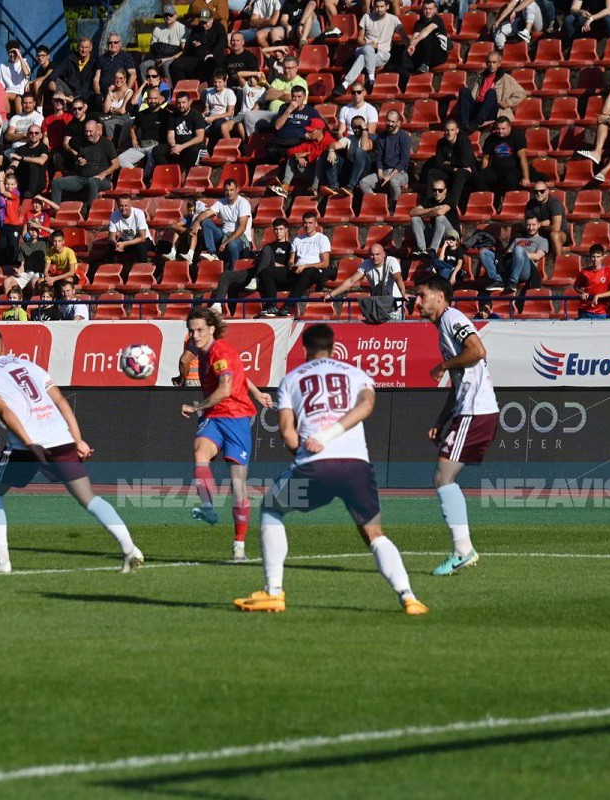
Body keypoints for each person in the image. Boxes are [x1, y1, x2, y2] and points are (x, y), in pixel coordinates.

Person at [233, 323, 427, 614]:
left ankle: (273, 592)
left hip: (315, 466)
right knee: (374, 533)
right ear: (334, 348)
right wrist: (334, 431)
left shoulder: (291, 379)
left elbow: (287, 432)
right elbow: (366, 405)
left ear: (304, 348)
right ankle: (409, 597)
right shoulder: (356, 373)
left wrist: (311, 447)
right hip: (356, 467)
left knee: (272, 509)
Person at [0, 326, 144, 573]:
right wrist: (78, 440)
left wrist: (30, 444)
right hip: (60, 439)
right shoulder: (30, 366)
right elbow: (61, 401)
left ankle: (2, 562)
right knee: (90, 499)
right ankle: (130, 549)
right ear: (4, 347)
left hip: (26, 446)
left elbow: (6, 412)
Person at [412, 273, 499, 577]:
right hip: (470, 410)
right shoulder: (444, 326)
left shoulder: (451, 317)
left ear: (439, 295)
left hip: (476, 410)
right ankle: (463, 549)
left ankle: (463, 550)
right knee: (444, 476)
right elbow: (460, 380)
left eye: (421, 294)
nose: (417, 301)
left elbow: (477, 350)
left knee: (443, 476)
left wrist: (443, 365)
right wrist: (442, 418)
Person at [181, 307, 273, 561]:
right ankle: (209, 508)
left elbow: (225, 388)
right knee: (200, 453)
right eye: (191, 330)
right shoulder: (202, 349)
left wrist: (196, 407)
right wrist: (257, 393)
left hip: (236, 417)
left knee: (238, 485)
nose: (195, 335)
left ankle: (239, 545)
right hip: (214, 417)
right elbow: (240, 373)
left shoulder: (220, 351)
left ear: (211, 329)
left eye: (199, 330)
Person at [258, 211, 330, 316]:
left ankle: (287, 306)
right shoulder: (298, 239)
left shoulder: (322, 239)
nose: (307, 225)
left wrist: (305, 266)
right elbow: (291, 259)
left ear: (316, 224)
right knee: (267, 271)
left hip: (313, 270)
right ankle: (272, 305)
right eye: (305, 223)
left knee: (307, 272)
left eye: (310, 223)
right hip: (297, 270)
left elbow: (325, 263)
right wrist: (292, 265)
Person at [49, 118, 118, 214]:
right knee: (56, 183)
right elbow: (77, 165)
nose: (88, 134)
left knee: (92, 181)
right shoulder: (83, 143)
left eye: (91, 131)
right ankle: (54, 212)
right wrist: (79, 163)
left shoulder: (106, 143)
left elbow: (116, 164)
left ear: (97, 131)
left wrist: (103, 174)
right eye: (86, 131)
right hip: (82, 178)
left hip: (101, 180)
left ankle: (90, 213)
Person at [324, 242, 405, 318]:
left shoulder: (392, 261)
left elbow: (398, 277)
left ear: (384, 254)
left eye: (378, 254)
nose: (375, 257)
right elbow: (351, 281)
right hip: (379, 305)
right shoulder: (366, 264)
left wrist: (403, 294)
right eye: (372, 255)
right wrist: (331, 294)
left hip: (395, 305)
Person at [457, 51, 526, 132]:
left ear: (499, 64)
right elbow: (473, 95)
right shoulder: (481, 76)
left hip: (491, 110)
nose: (491, 65)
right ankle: (464, 124)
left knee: (491, 92)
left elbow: (522, 93)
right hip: (478, 107)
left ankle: (477, 123)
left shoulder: (506, 78)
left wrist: (508, 102)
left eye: (494, 62)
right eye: (489, 62)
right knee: (464, 91)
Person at [341, 0, 399, 91]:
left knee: (362, 58)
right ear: (373, 6)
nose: (379, 9)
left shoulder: (394, 20)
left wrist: (411, 45)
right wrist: (368, 44)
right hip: (364, 48)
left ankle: (345, 84)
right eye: (377, 7)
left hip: (382, 54)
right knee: (368, 48)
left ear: (387, 7)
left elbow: (404, 36)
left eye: (381, 7)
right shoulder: (366, 17)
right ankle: (371, 78)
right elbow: (359, 39)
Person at [358, 110, 410, 211]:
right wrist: (380, 174)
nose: (390, 124)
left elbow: (404, 161)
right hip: (384, 171)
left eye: (393, 122)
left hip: (400, 173)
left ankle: (394, 209)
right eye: (388, 121)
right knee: (363, 182)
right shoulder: (381, 137)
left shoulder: (404, 137)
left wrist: (390, 177)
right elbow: (379, 157)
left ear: (398, 123)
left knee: (394, 182)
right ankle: (378, 206)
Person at [193, 178, 252, 265]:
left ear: (237, 189)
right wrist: (196, 222)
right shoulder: (221, 202)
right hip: (224, 235)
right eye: (226, 190)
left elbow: (242, 228)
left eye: (231, 190)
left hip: (240, 238)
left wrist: (225, 242)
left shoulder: (243, 203)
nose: (229, 193)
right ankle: (212, 253)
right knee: (206, 222)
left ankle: (233, 272)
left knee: (232, 245)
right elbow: (206, 213)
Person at [408, 178, 461, 258]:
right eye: (434, 190)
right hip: (437, 235)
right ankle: (421, 250)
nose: (437, 193)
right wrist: (431, 209)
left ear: (445, 190)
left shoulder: (450, 199)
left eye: (440, 190)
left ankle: (433, 250)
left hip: (451, 236)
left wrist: (424, 213)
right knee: (415, 219)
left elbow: (439, 212)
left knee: (440, 218)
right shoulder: (430, 201)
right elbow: (412, 212)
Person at [574, 243, 610, 318]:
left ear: (602, 257)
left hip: (600, 312)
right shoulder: (584, 271)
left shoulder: (608, 271)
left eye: (598, 257)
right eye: (593, 257)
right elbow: (576, 286)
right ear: (590, 257)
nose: (595, 259)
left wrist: (598, 296)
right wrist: (583, 292)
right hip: (584, 310)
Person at [108, 196, 152, 266]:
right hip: (126, 241)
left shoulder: (139, 214)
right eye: (121, 206)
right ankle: (110, 271)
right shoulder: (114, 215)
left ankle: (142, 271)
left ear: (130, 205)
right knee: (109, 248)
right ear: (117, 205)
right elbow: (111, 237)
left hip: (142, 241)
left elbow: (142, 238)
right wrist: (115, 243)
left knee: (141, 247)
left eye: (126, 205)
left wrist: (124, 244)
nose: (123, 208)